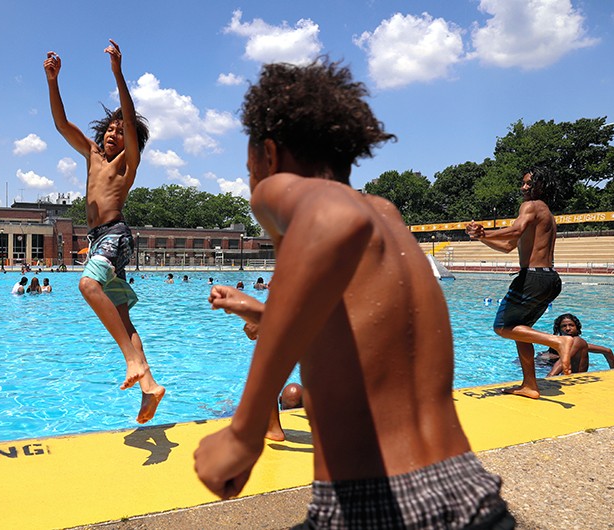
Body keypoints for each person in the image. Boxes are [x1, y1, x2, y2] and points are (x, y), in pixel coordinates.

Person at [194, 59, 513, 528]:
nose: (252, 185)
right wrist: (260, 310)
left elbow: (330, 222)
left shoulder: (286, 188)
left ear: (268, 154)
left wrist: (244, 434)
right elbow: (361, 335)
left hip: (377, 506)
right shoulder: (386, 215)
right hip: (471, 493)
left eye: (249, 171)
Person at [45, 39, 164, 424]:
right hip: (99, 239)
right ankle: (149, 387)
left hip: (115, 234)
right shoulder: (93, 157)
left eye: (119, 131)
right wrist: (53, 81)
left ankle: (131, 362)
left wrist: (118, 72)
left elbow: (130, 122)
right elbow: (62, 125)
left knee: (87, 285)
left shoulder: (128, 164)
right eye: (109, 130)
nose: (114, 134)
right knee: (124, 319)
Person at [466, 168, 584, 399]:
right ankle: (530, 385)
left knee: (502, 327)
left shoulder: (530, 206)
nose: (523, 188)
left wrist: (485, 230)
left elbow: (516, 229)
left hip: (533, 278)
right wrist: (483, 238)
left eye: (529, 184)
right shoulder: (547, 214)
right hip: (550, 278)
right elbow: (508, 245)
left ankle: (559, 341)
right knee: (522, 332)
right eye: (523, 184)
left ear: (540, 186)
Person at [545, 313, 614, 376]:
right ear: (559, 330)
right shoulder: (579, 344)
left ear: (577, 328)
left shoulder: (577, 342)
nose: (568, 328)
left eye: (571, 325)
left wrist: (550, 377)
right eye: (564, 326)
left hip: (573, 382)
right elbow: (608, 351)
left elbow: (563, 361)